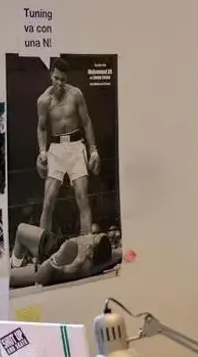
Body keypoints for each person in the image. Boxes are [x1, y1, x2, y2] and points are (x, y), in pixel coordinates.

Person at [36, 58, 98, 235]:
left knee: (82, 198)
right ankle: (42, 246)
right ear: (51, 75)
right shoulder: (43, 101)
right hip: (56, 149)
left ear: (66, 78)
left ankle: (86, 246)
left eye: (63, 79)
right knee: (48, 201)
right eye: (56, 78)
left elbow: (86, 122)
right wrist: (42, 151)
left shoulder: (76, 94)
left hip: (76, 147)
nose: (59, 83)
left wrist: (93, 150)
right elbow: (41, 128)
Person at [9, 222, 120, 288]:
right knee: (22, 230)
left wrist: (51, 264)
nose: (90, 236)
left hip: (52, 255)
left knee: (21, 230)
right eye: (94, 236)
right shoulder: (108, 258)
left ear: (90, 252)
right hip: (58, 246)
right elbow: (119, 254)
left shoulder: (74, 257)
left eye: (92, 238)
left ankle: (15, 265)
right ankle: (16, 265)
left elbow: (44, 274)